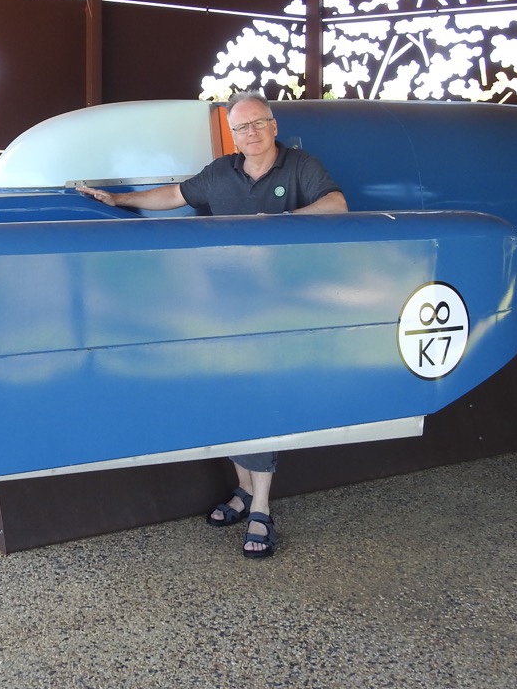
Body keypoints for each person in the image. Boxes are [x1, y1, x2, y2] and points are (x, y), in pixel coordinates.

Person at [77, 91, 347, 558]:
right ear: (233, 135)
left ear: (273, 125)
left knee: (255, 398)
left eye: (258, 123)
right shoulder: (221, 171)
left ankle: (260, 508)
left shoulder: (301, 166)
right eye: (241, 127)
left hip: (276, 311)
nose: (251, 133)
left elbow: (337, 205)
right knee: (227, 395)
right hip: (222, 310)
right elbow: (173, 195)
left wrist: (280, 220)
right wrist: (118, 199)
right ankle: (244, 491)